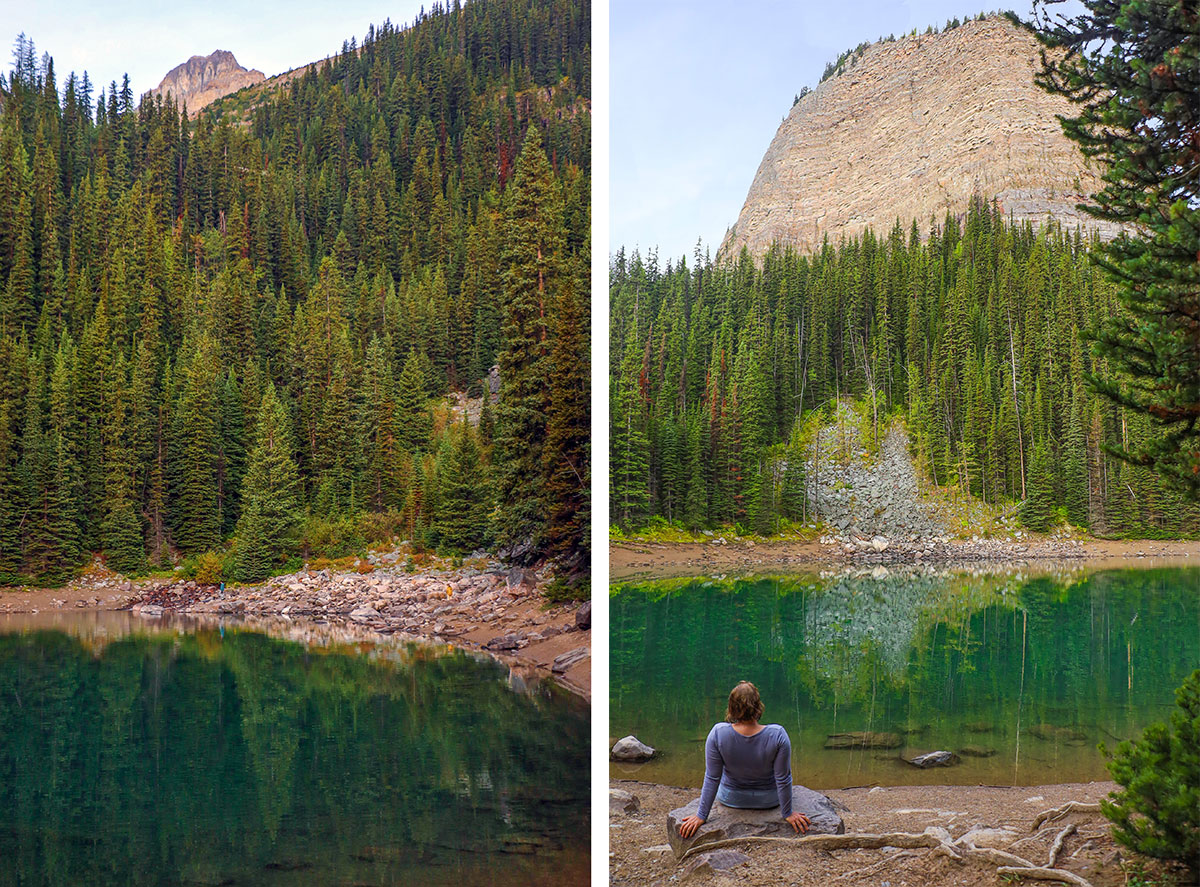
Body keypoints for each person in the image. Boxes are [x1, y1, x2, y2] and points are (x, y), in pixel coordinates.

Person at [678, 681, 810, 839]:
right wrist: (787, 813)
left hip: (731, 798)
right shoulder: (778, 734)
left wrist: (701, 815)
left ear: (731, 707)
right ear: (758, 706)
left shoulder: (718, 733)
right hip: (768, 800)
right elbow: (782, 778)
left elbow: (712, 777)